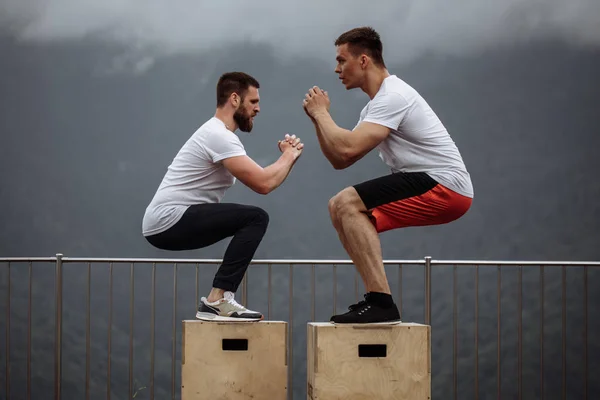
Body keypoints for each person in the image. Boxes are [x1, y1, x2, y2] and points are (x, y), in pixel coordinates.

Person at [300, 27, 474, 324]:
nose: (337, 69)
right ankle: (377, 299)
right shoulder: (376, 105)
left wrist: (322, 114)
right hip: (434, 183)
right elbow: (341, 159)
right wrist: (318, 121)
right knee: (339, 209)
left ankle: (381, 302)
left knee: (346, 203)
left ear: (364, 60)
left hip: (443, 183)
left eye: (342, 61)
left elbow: (348, 147)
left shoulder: (393, 96)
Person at [142, 72, 304, 322]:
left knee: (252, 219)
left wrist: (288, 158)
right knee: (255, 218)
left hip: (164, 223)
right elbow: (264, 183)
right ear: (235, 99)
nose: (258, 109)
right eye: (253, 102)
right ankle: (218, 299)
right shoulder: (218, 135)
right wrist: (289, 155)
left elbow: (265, 180)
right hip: (168, 219)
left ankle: (218, 299)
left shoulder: (219, 135)